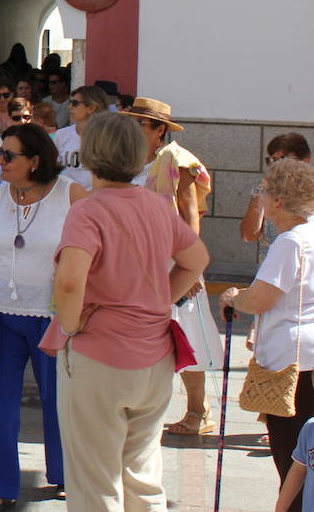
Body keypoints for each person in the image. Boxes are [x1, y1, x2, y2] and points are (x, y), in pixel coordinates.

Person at [47, 112, 209, 511]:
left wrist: (70, 324)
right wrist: (160, 301)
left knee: (94, 482)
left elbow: (69, 281)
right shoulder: (155, 205)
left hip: (99, 353)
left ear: (89, 153)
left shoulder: (88, 209)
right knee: (142, 476)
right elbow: (196, 260)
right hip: (154, 354)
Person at [0, 124, 86, 510]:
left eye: (10, 155)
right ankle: (0, 486)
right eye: (0, 152)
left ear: (36, 160)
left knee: (59, 399)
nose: (1, 161)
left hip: (52, 315)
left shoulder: (71, 194)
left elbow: (96, 251)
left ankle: (64, 475)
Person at [122, 97, 222, 437]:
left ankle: (198, 409)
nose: (132, 130)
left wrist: (188, 265)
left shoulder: (176, 160)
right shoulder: (132, 162)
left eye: (140, 124)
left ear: (158, 129)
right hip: (138, 260)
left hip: (172, 258)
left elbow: (189, 214)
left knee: (186, 329)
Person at [220, 158, 314, 499]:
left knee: (293, 462)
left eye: (262, 192)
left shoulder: (290, 242)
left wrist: (233, 298)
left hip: (291, 361)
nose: (259, 198)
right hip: (309, 357)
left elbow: (261, 298)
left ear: (276, 201)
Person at [242, 133, 312, 245]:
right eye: (273, 160)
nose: (277, 166)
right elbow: (248, 236)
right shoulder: (265, 188)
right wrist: (262, 196)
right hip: (272, 259)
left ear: (305, 161)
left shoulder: (310, 190)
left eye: (284, 159)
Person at [53, 85, 107, 190]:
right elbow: (55, 167)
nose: (69, 106)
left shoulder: (107, 137)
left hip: (95, 198)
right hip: (66, 198)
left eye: (75, 103)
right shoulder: (61, 134)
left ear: (91, 108)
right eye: (70, 102)